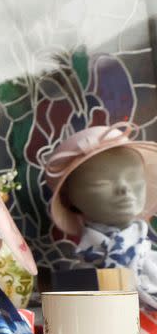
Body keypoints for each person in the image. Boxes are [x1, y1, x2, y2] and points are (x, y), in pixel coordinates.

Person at [45, 122, 157, 309]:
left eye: (134, 177)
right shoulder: (82, 275)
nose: (124, 188)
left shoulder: (151, 263)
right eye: (101, 183)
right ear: (71, 198)